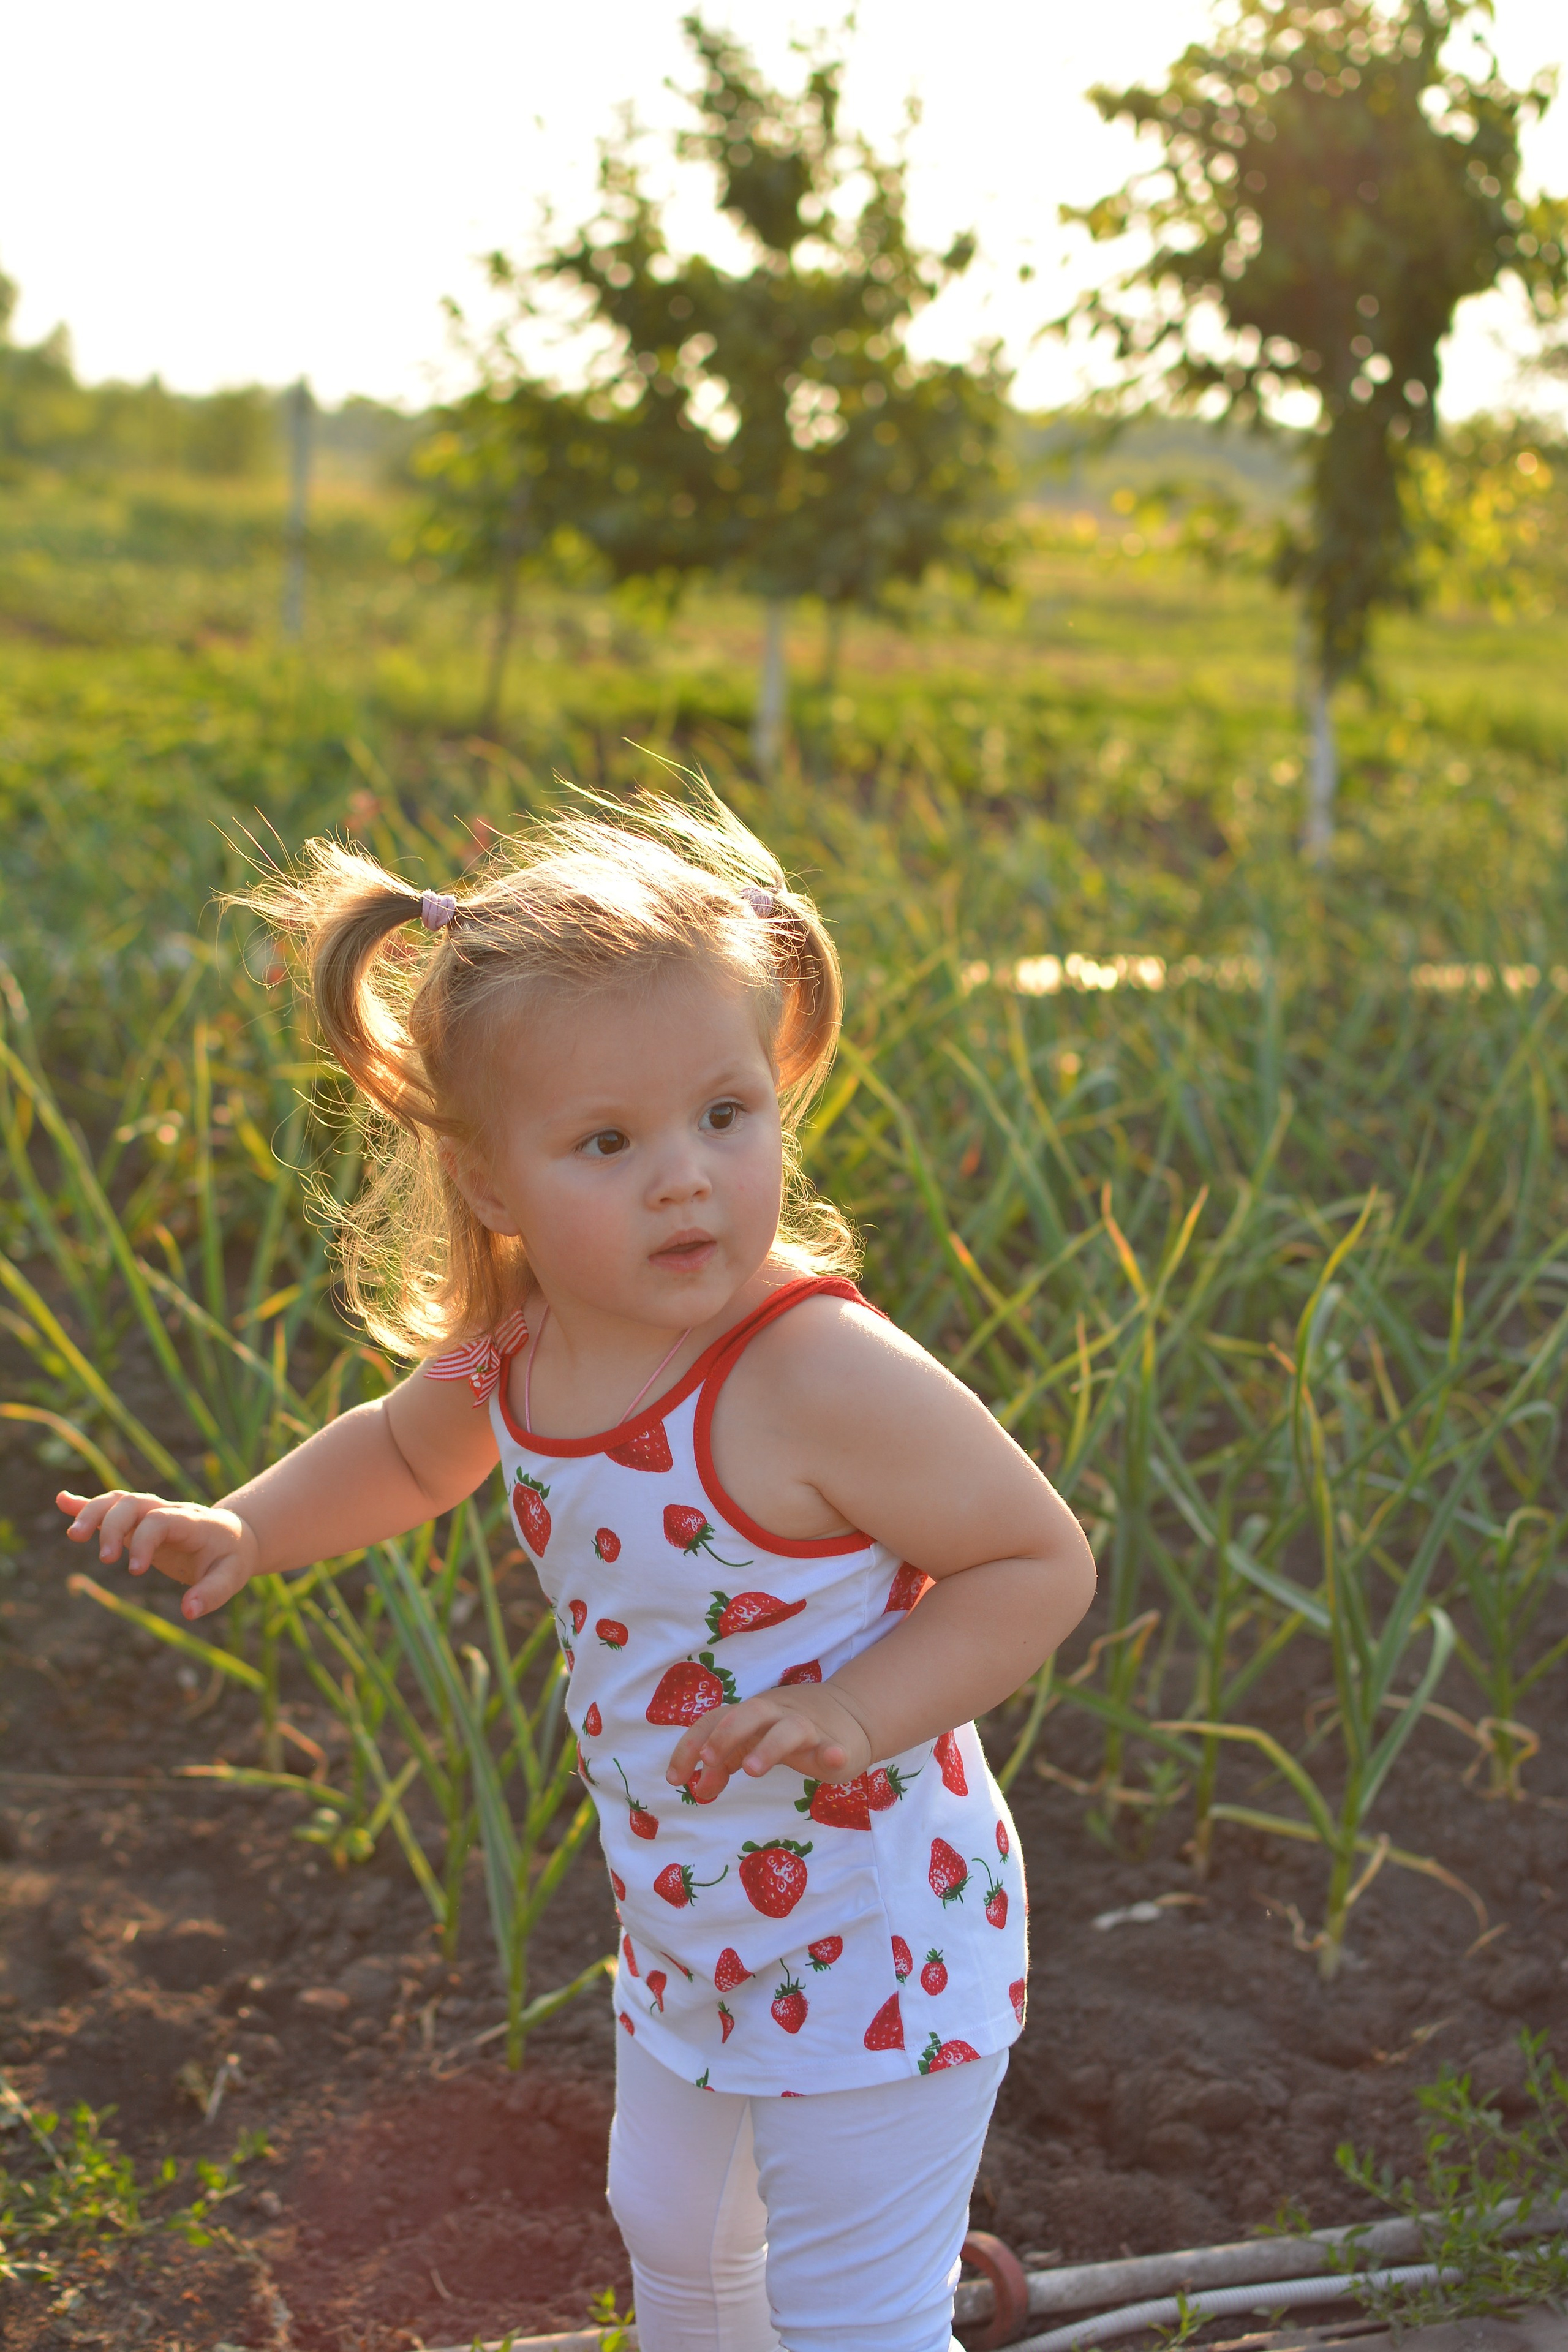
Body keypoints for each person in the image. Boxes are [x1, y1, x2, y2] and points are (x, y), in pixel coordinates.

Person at [58, 791, 1095, 2352]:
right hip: (686, 1923)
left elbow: (1033, 1559)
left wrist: (854, 1711)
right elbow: (404, 1453)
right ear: (491, 1185)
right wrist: (250, 1528)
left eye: (724, 1115)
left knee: (852, 2317)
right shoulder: (526, 1349)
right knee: (676, 2244)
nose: (685, 1178)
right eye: (608, 1143)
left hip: (877, 1938)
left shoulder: (810, 1371)